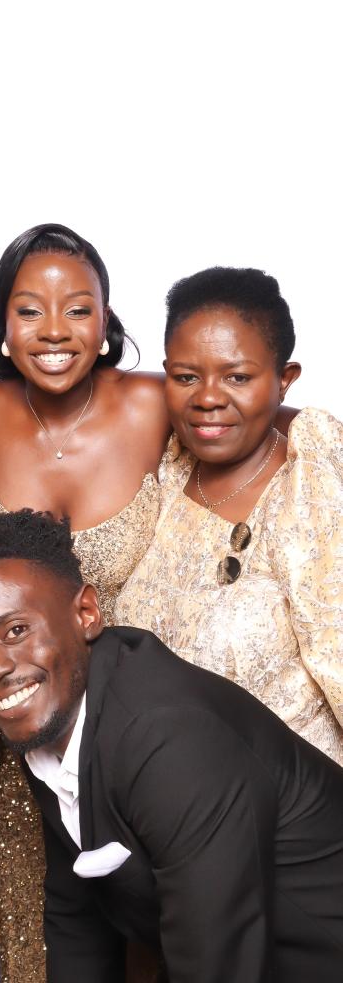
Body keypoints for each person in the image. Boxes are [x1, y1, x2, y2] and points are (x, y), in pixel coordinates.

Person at [0, 509, 343, 983]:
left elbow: (217, 964)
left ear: (86, 614)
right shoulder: (48, 714)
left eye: (15, 631)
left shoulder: (168, 738)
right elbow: (75, 916)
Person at [0, 224, 168, 981]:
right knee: (43, 946)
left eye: (78, 309)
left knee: (160, 937)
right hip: (19, 735)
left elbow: (250, 419)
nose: (54, 331)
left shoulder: (153, 403)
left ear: (106, 321)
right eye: (29, 310)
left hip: (142, 727)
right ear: (2, 325)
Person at [115, 267, 342, 761]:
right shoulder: (167, 472)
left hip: (299, 799)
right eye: (186, 377)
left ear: (285, 380)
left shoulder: (308, 490)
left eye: (237, 377)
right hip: (167, 795)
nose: (208, 398)